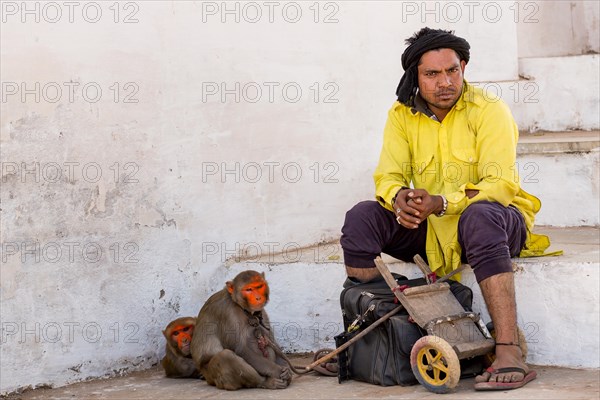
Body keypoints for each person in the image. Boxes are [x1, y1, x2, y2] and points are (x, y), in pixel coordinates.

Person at [340, 27, 553, 391]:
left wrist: (442, 202)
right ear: (415, 77)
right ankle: (365, 341)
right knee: (361, 219)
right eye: (432, 74)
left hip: (496, 224)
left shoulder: (489, 110)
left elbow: (499, 184)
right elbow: (388, 175)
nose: (445, 82)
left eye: (452, 70)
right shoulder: (401, 115)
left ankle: (508, 350)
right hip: (432, 231)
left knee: (480, 215)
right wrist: (399, 200)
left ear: (464, 67)